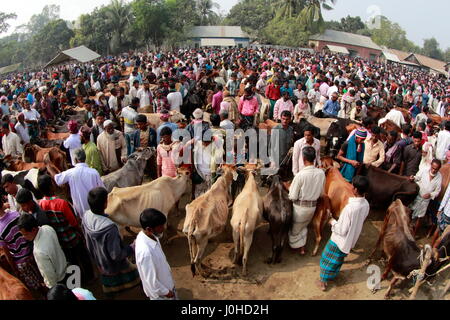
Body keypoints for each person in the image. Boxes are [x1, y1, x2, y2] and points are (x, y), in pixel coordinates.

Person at [15, 188, 94, 283]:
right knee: (74, 262)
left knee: (79, 260)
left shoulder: (42, 218)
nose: (22, 208)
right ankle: (79, 281)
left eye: (23, 205)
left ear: (30, 201)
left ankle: (86, 279)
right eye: (21, 206)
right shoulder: (30, 215)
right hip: (59, 248)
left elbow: (73, 223)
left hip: (57, 249)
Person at [83, 187, 140, 296]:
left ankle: (110, 292)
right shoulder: (109, 228)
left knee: (108, 282)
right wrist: (132, 247)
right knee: (136, 274)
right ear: (105, 204)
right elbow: (116, 255)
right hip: (113, 264)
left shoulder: (86, 215)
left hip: (99, 259)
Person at [317, 176, 370, 291]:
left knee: (327, 258)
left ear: (355, 190)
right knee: (338, 259)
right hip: (351, 240)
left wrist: (331, 221)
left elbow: (341, 230)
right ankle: (333, 275)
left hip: (339, 240)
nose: (351, 187)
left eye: (352, 185)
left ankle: (323, 281)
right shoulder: (366, 204)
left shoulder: (350, 208)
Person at [0, 196, 46, 294]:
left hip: (21, 262)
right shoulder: (16, 214)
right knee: (44, 276)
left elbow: (7, 254)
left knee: (36, 286)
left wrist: (15, 270)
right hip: (33, 252)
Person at [288, 147, 325, 255]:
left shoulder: (300, 175)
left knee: (295, 230)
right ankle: (302, 248)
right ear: (314, 158)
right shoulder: (321, 173)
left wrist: (289, 189)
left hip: (300, 208)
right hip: (312, 208)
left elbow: (293, 196)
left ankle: (296, 247)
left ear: (303, 159)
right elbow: (322, 193)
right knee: (304, 226)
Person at [50, 148, 105, 220]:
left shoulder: (71, 173)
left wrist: (50, 167)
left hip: (81, 211)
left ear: (75, 160)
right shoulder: (94, 172)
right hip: (95, 209)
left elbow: (58, 180)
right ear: (85, 158)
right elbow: (102, 189)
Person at [17, 214, 68, 289]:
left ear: (33, 229)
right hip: (66, 268)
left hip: (59, 281)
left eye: (26, 234)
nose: (24, 237)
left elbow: (49, 276)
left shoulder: (39, 251)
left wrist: (52, 289)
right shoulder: (47, 228)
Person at [135, 208, 177, 300]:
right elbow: (151, 281)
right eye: (160, 226)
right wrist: (166, 292)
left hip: (167, 286)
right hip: (162, 296)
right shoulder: (146, 253)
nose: (163, 228)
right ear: (149, 229)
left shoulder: (151, 236)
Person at [409, 160, 442, 236]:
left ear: (439, 169)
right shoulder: (424, 170)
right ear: (431, 165)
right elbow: (417, 177)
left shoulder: (439, 177)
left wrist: (430, 194)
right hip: (417, 196)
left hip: (425, 201)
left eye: (436, 169)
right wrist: (413, 178)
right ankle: (406, 228)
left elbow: (437, 191)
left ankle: (414, 234)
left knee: (420, 218)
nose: (433, 170)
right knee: (410, 212)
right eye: (433, 168)